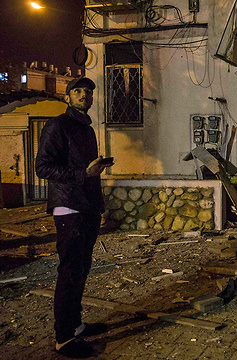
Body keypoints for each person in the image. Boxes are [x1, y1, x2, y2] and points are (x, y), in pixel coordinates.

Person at [36, 77, 113, 358]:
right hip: (68, 208)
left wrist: (93, 171)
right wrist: (83, 174)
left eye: (89, 91)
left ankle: (75, 325)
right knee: (69, 272)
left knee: (81, 269)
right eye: (78, 91)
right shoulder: (58, 125)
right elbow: (43, 167)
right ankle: (64, 339)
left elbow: (83, 168)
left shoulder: (86, 128)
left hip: (88, 207)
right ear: (68, 97)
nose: (85, 95)